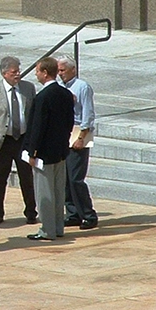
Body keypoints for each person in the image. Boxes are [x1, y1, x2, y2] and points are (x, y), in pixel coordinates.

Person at [0, 56, 38, 226]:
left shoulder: (28, 88)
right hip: (2, 141)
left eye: (19, 71)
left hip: (22, 139)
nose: (18, 74)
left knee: (27, 178)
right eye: (14, 72)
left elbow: (32, 113)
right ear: (4, 73)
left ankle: (31, 212)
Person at [24, 58, 74, 241]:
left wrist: (32, 151)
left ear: (45, 73)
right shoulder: (65, 94)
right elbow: (69, 122)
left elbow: (37, 127)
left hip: (44, 154)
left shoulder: (42, 97)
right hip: (60, 151)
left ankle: (47, 230)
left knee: (45, 193)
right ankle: (58, 227)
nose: (36, 74)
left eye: (37, 71)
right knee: (59, 191)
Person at [58, 54, 99, 230]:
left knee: (75, 178)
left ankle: (88, 214)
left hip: (78, 132)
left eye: (63, 70)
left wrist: (81, 137)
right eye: (58, 70)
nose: (60, 74)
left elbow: (88, 114)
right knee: (65, 178)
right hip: (64, 133)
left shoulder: (82, 87)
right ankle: (72, 213)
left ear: (73, 70)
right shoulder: (60, 86)